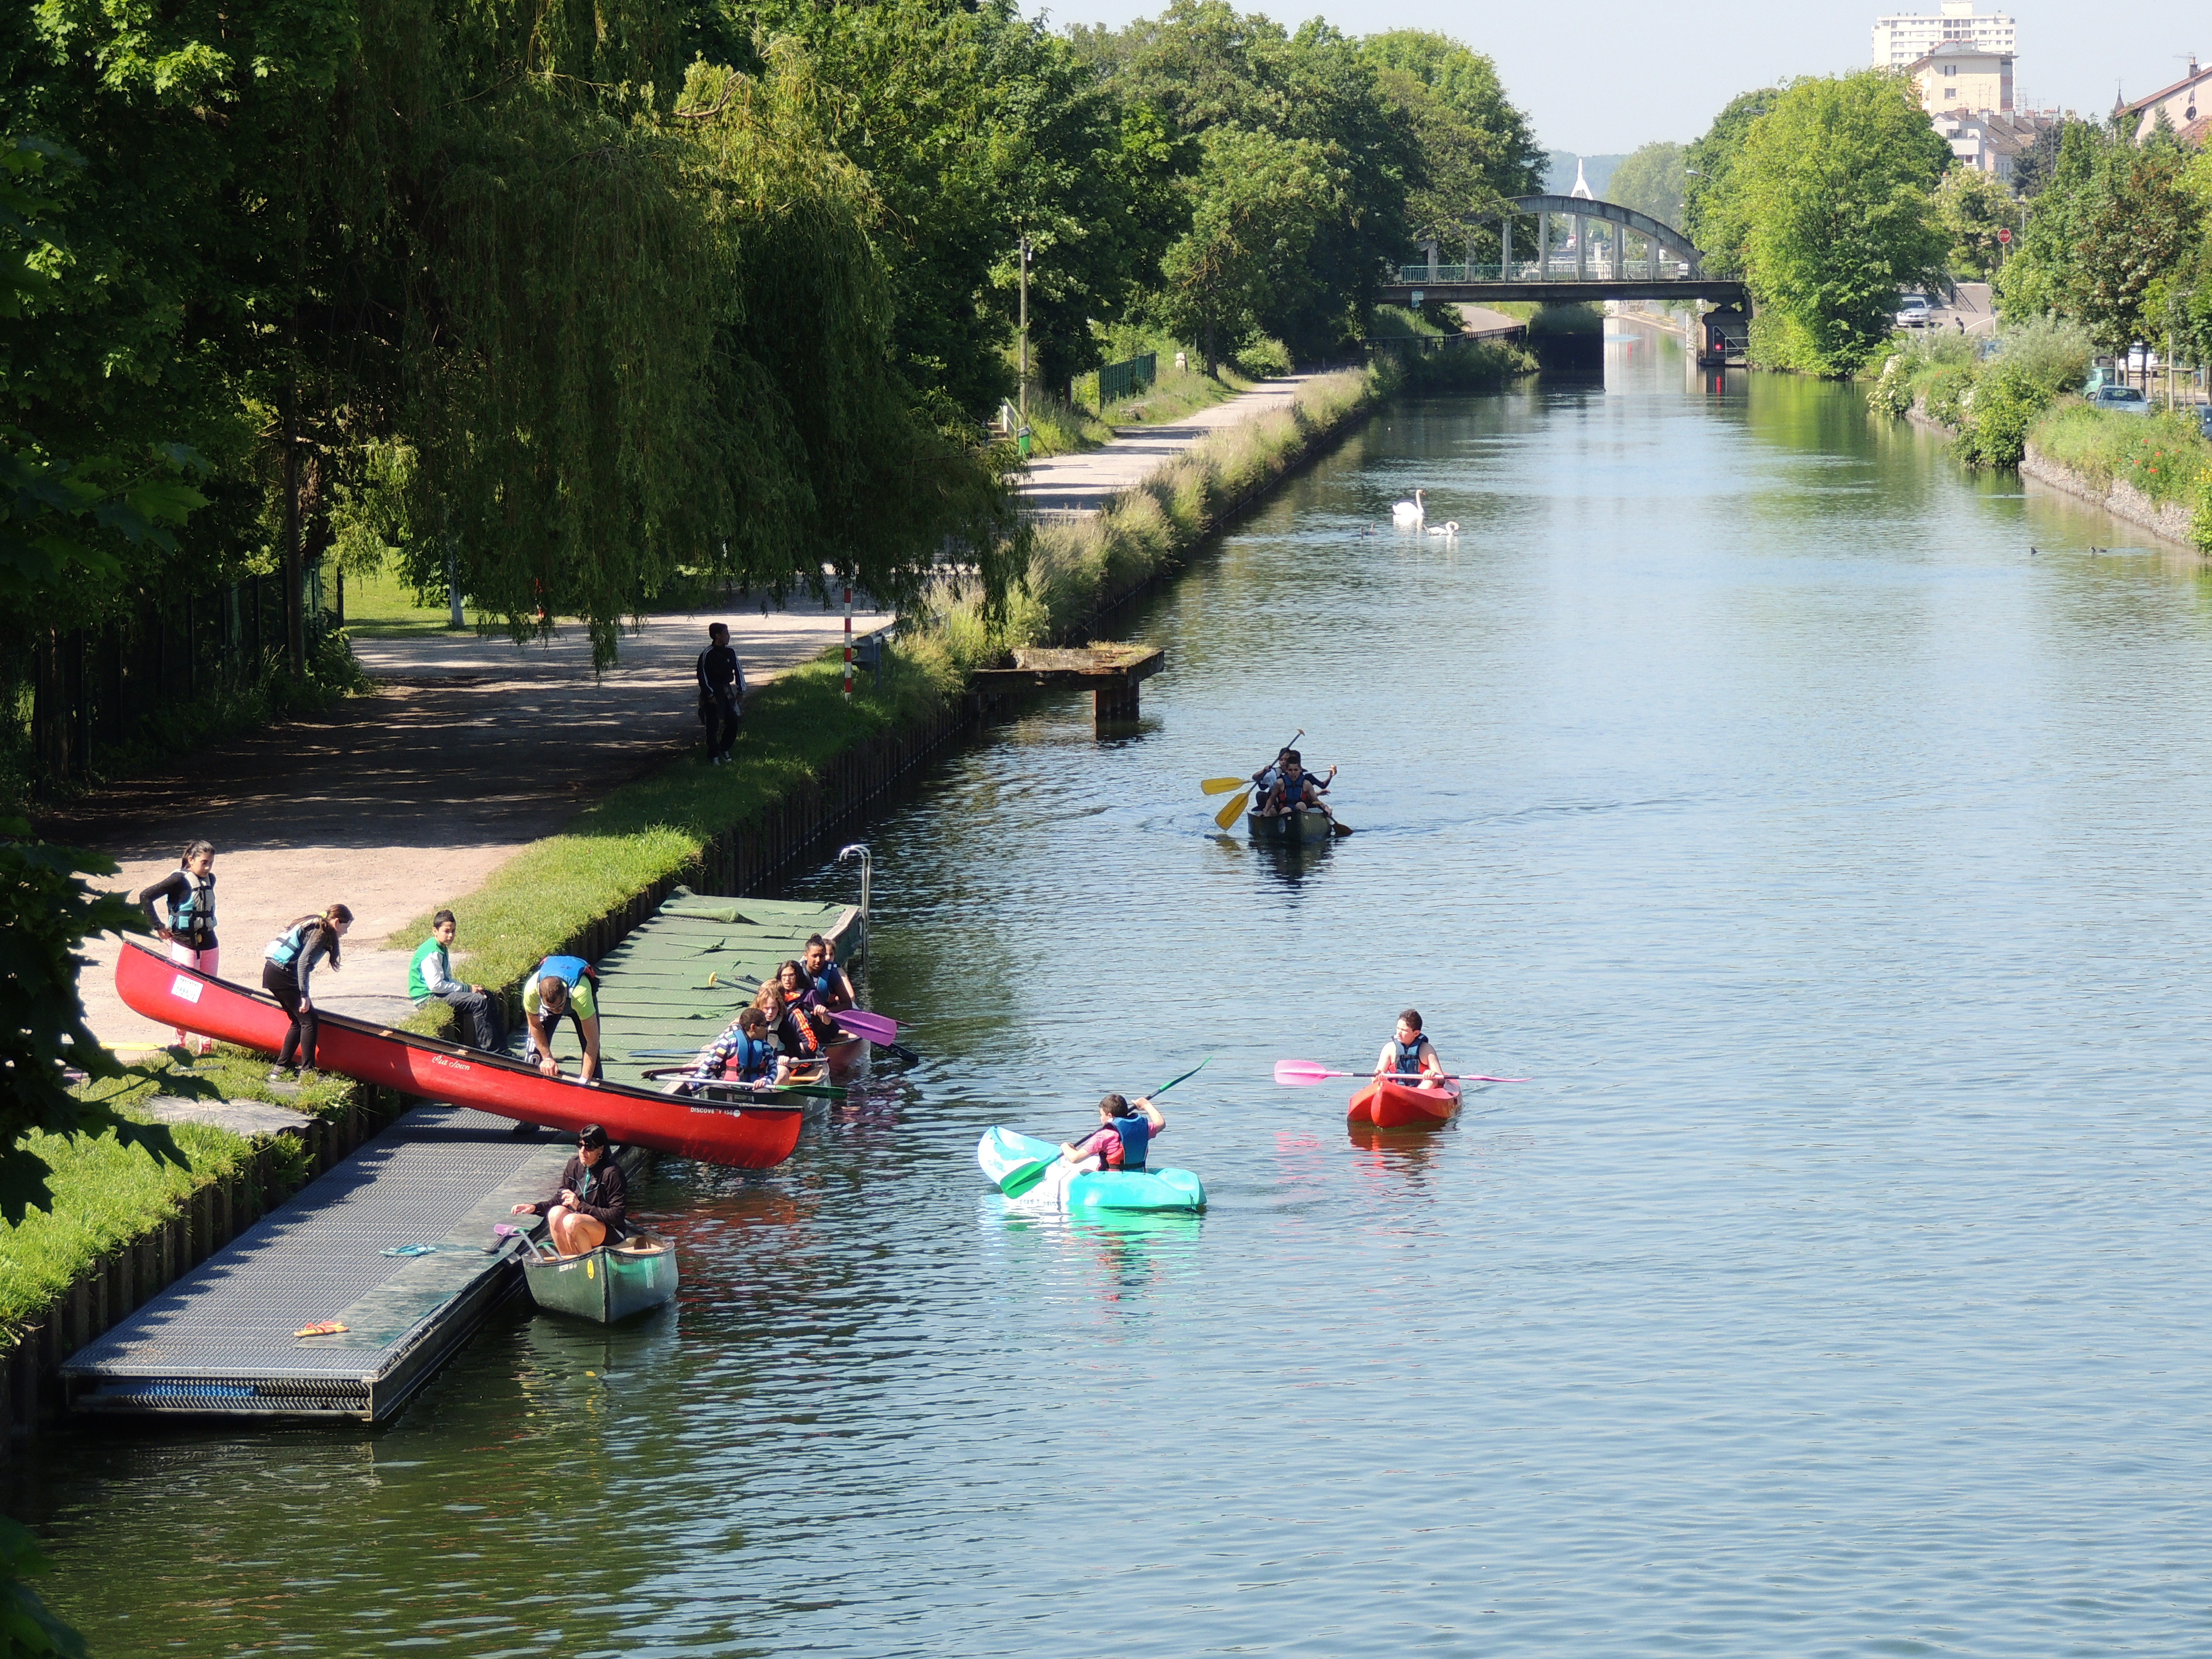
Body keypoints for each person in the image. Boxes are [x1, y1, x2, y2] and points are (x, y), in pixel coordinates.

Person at [139, 840, 220, 1053]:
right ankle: (179, 1044)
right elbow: (145, 896)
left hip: (209, 942)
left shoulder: (210, 879)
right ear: (191, 860)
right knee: (185, 995)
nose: (208, 868)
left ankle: (206, 1045)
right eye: (204, 862)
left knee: (209, 994)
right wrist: (158, 926)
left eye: (211, 862)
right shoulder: (178, 880)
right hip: (184, 942)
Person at [262, 903, 353, 1082]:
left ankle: (280, 1068)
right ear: (336, 922)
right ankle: (307, 1072)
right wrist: (305, 995)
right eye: (346, 927)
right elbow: (303, 962)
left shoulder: (318, 924)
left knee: (298, 1021)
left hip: (273, 973)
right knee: (309, 1020)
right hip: (282, 975)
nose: (346, 932)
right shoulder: (322, 931)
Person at [510, 1124, 628, 1256]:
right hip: (580, 1224)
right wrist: (534, 1208)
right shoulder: (574, 1165)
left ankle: (590, 1267)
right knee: (555, 1213)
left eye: (589, 1147)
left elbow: (617, 1216)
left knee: (571, 1221)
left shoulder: (612, 1173)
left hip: (610, 1230)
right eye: (580, 1145)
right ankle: (569, 1261)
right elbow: (559, 1199)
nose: (583, 1151)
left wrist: (580, 1206)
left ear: (601, 1149)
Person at [409, 910, 507, 1053]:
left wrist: (468, 988)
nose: (451, 935)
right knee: (478, 1002)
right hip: (427, 998)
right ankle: (491, 1051)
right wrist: (467, 989)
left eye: (454, 931)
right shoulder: (432, 952)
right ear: (435, 931)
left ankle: (503, 1049)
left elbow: (447, 979)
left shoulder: (441, 947)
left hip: (437, 993)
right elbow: (436, 986)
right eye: (446, 931)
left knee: (487, 996)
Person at [522, 955, 602, 1082]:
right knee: (534, 1054)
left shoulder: (580, 995)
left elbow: (592, 1042)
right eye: (552, 1008)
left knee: (593, 1058)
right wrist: (547, 1058)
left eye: (559, 1007)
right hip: (554, 1001)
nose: (556, 1011)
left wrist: (584, 1081)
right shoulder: (530, 991)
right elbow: (534, 1026)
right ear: (540, 995)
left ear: (565, 992)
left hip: (576, 1000)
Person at [676, 1007, 793, 1091]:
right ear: (754, 1027)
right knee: (715, 1089)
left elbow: (773, 1069)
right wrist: (696, 1083)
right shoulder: (729, 1040)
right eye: (764, 1026)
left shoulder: (765, 1047)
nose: (766, 1029)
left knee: (764, 1092)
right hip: (729, 1086)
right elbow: (710, 1064)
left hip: (753, 1089)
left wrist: (766, 1081)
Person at [1060, 1092, 1166, 1173]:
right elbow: (1161, 1123)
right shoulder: (1143, 1129)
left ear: (1110, 1116)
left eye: (1101, 1115)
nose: (1101, 1118)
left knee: (1067, 1164)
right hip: (1137, 1174)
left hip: (1112, 1180)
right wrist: (1146, 1105)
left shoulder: (1104, 1136)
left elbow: (1074, 1158)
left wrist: (1064, 1146)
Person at [696, 622, 746, 767]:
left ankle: (724, 748)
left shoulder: (730, 652)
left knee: (733, 721)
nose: (728, 636)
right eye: (726, 633)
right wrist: (709, 695)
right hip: (713, 690)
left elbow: (738, 671)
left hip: (726, 690)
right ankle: (713, 755)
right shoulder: (707, 654)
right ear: (717, 635)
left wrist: (741, 689)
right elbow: (702, 675)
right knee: (713, 724)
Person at [1374, 1009, 1446, 1089]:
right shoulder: (1389, 1048)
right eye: (1398, 1028)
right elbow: (1378, 1072)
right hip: (1396, 1089)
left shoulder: (1426, 1049)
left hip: (1421, 1089)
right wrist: (1378, 1075)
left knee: (1431, 1081)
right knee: (1380, 1082)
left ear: (1416, 1033)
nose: (1399, 1033)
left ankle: (1417, 1097)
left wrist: (1432, 1073)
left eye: (1404, 1030)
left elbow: (1441, 1080)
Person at [1261, 750, 1331, 823]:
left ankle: (1304, 825)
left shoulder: (1306, 784)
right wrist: (1265, 811)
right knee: (1287, 810)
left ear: (1300, 770)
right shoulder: (1280, 783)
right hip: (1284, 810)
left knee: (1301, 805)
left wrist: (1326, 808)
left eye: (1296, 770)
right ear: (1287, 770)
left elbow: (1316, 801)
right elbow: (1271, 799)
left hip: (1300, 811)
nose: (1293, 773)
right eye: (1290, 770)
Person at [800, 934, 856, 1013]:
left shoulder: (832, 973)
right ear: (806, 955)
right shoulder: (797, 971)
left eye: (822, 956)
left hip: (827, 1016)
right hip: (802, 1017)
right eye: (814, 956)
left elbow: (847, 1004)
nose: (818, 960)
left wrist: (827, 1012)